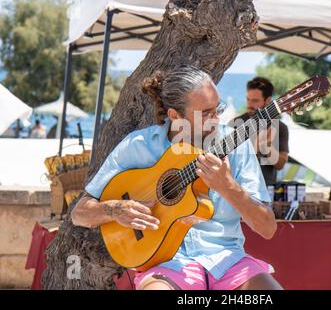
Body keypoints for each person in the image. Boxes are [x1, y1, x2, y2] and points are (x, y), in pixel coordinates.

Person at [71, 66, 282, 291]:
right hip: (166, 266)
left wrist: (228, 187)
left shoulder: (236, 146)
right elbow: (80, 213)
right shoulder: (138, 146)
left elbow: (267, 228)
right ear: (174, 116)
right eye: (206, 113)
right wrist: (114, 210)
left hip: (228, 262)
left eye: (218, 108)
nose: (217, 119)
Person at [229, 77, 289, 185]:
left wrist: (267, 147)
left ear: (268, 100)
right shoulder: (235, 123)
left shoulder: (280, 127)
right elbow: (228, 161)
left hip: (266, 190)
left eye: (255, 100)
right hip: (238, 188)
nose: (250, 104)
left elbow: (280, 165)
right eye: (248, 99)